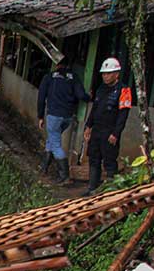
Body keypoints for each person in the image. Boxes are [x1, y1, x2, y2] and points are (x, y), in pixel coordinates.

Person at [37, 57, 90, 184]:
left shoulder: (49, 77)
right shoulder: (74, 77)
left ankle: (65, 175)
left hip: (54, 115)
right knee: (52, 138)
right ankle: (44, 167)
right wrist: (89, 97)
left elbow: (41, 97)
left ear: (57, 65)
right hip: (67, 117)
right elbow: (82, 95)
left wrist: (40, 116)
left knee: (55, 144)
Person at [84, 57, 132, 196]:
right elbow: (95, 109)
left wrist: (116, 133)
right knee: (94, 158)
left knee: (109, 161)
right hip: (97, 130)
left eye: (109, 73)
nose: (105, 76)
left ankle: (111, 193)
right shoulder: (101, 89)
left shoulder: (124, 90)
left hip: (110, 132)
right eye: (104, 73)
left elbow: (123, 115)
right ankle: (92, 189)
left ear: (116, 74)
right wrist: (88, 126)